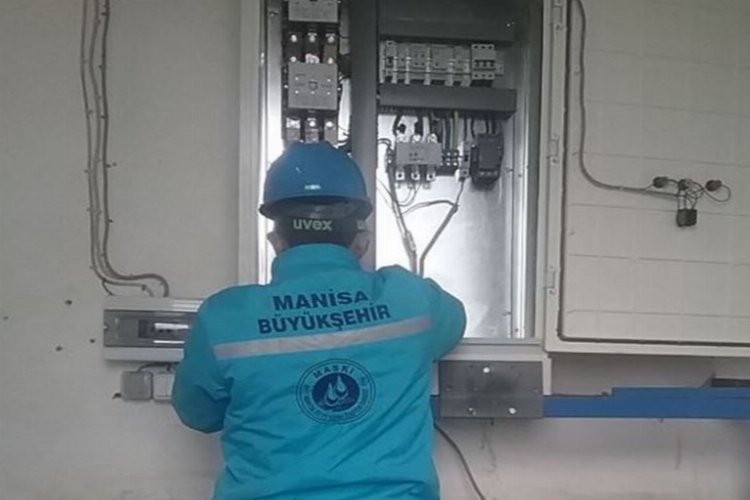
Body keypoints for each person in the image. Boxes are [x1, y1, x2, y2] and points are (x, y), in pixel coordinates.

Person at [172, 142, 466, 500]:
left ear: (276, 241)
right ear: (361, 241)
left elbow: (198, 414)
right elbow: (455, 323)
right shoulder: (412, 299)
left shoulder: (224, 317)